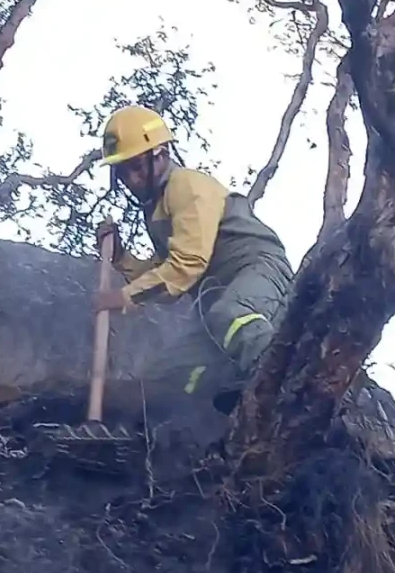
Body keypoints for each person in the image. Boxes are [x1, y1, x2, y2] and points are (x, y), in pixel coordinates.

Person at [93, 104, 295, 413]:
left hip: (259, 270)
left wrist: (123, 297)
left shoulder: (185, 186)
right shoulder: (157, 209)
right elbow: (165, 272)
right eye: (122, 172)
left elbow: (187, 266)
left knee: (232, 315)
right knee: (169, 374)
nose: (130, 179)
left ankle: (285, 387)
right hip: (216, 302)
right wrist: (122, 258)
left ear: (159, 154)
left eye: (135, 166)